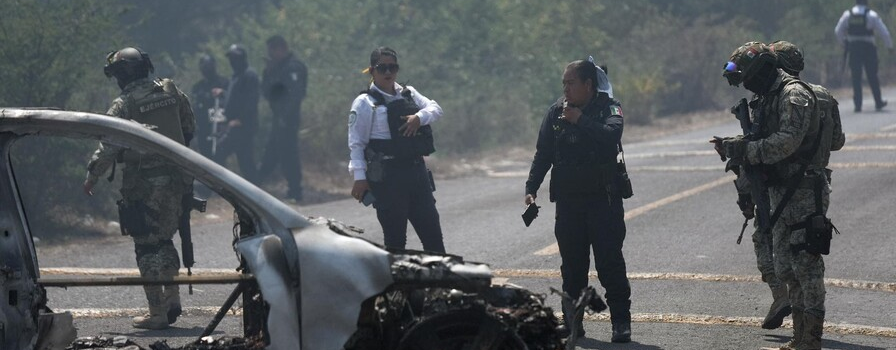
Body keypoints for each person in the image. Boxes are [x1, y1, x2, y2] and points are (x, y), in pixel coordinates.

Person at [716, 42, 843, 350]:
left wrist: (746, 149)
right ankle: (799, 340)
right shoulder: (770, 98)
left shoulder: (794, 94)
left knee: (806, 268)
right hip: (779, 190)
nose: (745, 83)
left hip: (803, 191)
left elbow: (787, 142)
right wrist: (738, 146)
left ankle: (809, 341)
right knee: (787, 268)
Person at [83, 47, 196, 330]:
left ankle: (157, 313)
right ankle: (172, 299)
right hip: (177, 178)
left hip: (143, 185)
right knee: (166, 239)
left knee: (146, 246)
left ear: (122, 75)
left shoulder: (123, 104)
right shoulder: (171, 91)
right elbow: (189, 127)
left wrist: (91, 176)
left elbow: (108, 146)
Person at [524, 58, 631, 343]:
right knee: (572, 267)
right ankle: (572, 322)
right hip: (569, 204)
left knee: (609, 263)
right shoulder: (555, 113)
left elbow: (611, 136)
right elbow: (543, 153)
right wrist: (531, 187)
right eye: (564, 84)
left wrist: (580, 120)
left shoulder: (609, 108)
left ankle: (621, 322)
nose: (566, 89)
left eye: (571, 83)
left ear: (588, 85)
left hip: (603, 201)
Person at [347, 47, 445, 253]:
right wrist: (359, 177)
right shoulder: (364, 103)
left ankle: (442, 284)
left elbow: (435, 109)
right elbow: (356, 143)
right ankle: (398, 285)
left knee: (433, 237)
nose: (388, 72)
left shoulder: (408, 93)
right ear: (372, 70)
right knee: (395, 241)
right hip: (388, 178)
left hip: (417, 173)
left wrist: (419, 118)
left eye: (393, 67)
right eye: (382, 68)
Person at [260, 35, 307, 202]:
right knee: (272, 153)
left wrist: (285, 117)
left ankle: (296, 190)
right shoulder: (276, 68)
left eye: (272, 50)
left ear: (281, 48)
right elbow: (267, 92)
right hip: (278, 117)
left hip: (288, 119)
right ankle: (257, 184)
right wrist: (269, 71)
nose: (271, 54)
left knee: (289, 154)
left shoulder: (293, 67)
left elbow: (295, 95)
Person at [835, 0, 893, 112]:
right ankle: (878, 101)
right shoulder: (871, 15)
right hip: (868, 49)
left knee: (856, 77)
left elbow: (838, 31)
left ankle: (858, 104)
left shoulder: (848, 14)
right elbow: (884, 32)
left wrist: (845, 43)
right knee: (872, 75)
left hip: (854, 49)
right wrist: (889, 46)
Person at [214, 44, 260, 183]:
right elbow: (234, 98)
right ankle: (254, 189)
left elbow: (251, 100)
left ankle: (221, 185)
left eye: (236, 58)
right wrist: (223, 93)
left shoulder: (249, 75)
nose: (233, 61)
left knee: (220, 151)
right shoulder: (236, 76)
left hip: (243, 125)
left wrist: (241, 119)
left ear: (242, 58)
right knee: (245, 160)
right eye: (231, 58)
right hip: (234, 124)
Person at [190, 54, 229, 159]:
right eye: (204, 67)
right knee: (204, 156)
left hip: (217, 126)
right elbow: (194, 105)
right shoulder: (198, 87)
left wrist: (222, 93)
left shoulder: (223, 82)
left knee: (218, 156)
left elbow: (231, 100)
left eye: (208, 66)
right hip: (202, 127)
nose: (206, 70)